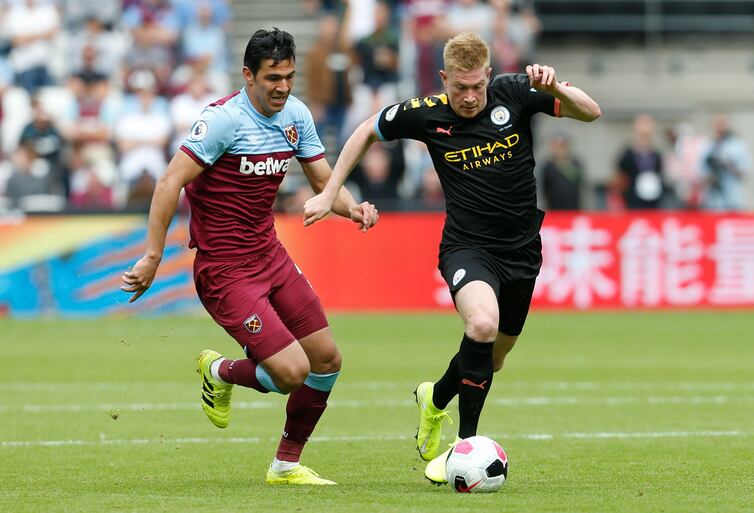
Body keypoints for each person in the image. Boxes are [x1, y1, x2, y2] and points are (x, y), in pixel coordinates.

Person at [303, 31, 600, 484]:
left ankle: (435, 397)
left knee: (492, 358)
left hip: (522, 251)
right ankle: (465, 448)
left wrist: (554, 86)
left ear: (489, 77)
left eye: (477, 86)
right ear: (444, 79)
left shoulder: (516, 92)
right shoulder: (426, 115)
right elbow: (366, 130)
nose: (468, 97)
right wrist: (330, 193)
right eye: (459, 87)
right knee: (480, 325)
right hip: (467, 247)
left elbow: (590, 111)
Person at [121, 28, 378, 485]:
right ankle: (218, 370)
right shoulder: (223, 121)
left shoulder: (295, 114)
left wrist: (352, 208)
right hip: (224, 270)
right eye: (273, 77)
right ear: (248, 75)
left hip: (271, 257)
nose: (283, 87)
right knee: (291, 372)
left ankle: (285, 466)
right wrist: (153, 256)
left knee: (327, 360)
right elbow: (168, 183)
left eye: (290, 76)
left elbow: (323, 182)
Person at [700, 113, 751, 211]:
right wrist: (710, 176)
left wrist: (729, 165)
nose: (719, 128)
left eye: (722, 124)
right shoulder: (708, 146)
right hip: (713, 197)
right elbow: (701, 171)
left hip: (732, 194)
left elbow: (745, 171)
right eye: (717, 124)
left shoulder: (737, 145)